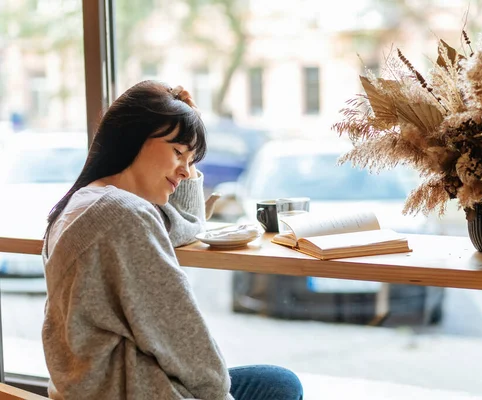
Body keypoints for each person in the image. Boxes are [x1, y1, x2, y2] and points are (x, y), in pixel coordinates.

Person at [42, 80, 303, 400]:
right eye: (178, 152)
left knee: (274, 382)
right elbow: (182, 335)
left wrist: (186, 156)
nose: (185, 172)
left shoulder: (83, 204)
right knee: (280, 386)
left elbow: (184, 227)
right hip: (131, 390)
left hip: (90, 387)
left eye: (192, 161)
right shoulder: (124, 216)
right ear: (132, 137)